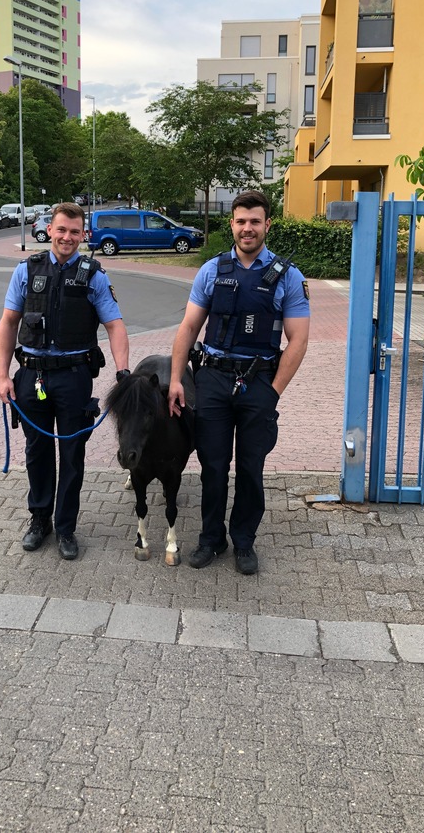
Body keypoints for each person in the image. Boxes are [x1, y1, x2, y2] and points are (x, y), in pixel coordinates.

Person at [167, 190, 310, 575]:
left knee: (250, 468)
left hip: (259, 382)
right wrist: (177, 379)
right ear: (232, 224)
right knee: (213, 466)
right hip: (213, 378)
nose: (248, 228)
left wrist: (274, 391)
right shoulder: (212, 270)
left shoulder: (288, 276)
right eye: (241, 221)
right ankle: (211, 539)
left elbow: (298, 340)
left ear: (267, 225)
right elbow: (189, 326)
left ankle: (243, 541)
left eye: (255, 221)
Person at [0, 202, 130, 560]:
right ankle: (40, 520)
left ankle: (66, 527)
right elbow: (9, 323)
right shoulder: (27, 271)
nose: (67, 237)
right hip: (31, 377)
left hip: (73, 378)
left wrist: (123, 372)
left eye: (75, 231)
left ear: (83, 235)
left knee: (72, 455)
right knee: (36, 452)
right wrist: (2, 377)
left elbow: (115, 325)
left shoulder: (94, 276)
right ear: (49, 230)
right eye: (61, 230)